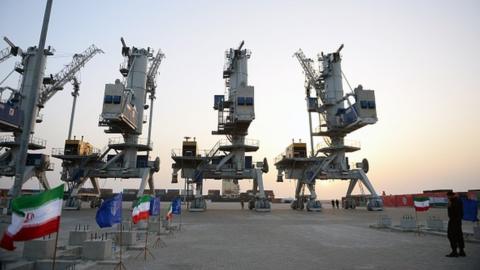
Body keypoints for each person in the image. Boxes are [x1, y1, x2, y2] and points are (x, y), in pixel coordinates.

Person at [446, 191, 465, 257]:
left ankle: (454, 252)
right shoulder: (459, 200)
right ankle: (462, 251)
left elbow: (452, 213)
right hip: (458, 221)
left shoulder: (453, 201)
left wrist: (449, 206)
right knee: (459, 235)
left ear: (450, 195)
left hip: (454, 221)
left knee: (451, 236)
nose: (447, 198)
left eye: (448, 196)